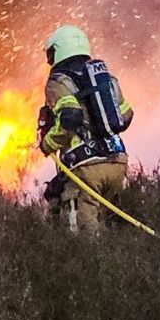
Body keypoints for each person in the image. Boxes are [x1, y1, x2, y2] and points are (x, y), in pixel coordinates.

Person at [37, 25, 134, 234]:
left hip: (86, 168)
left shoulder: (59, 81)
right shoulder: (104, 78)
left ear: (58, 50)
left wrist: (47, 143)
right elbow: (126, 116)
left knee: (82, 235)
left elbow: (70, 117)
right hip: (117, 163)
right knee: (108, 226)